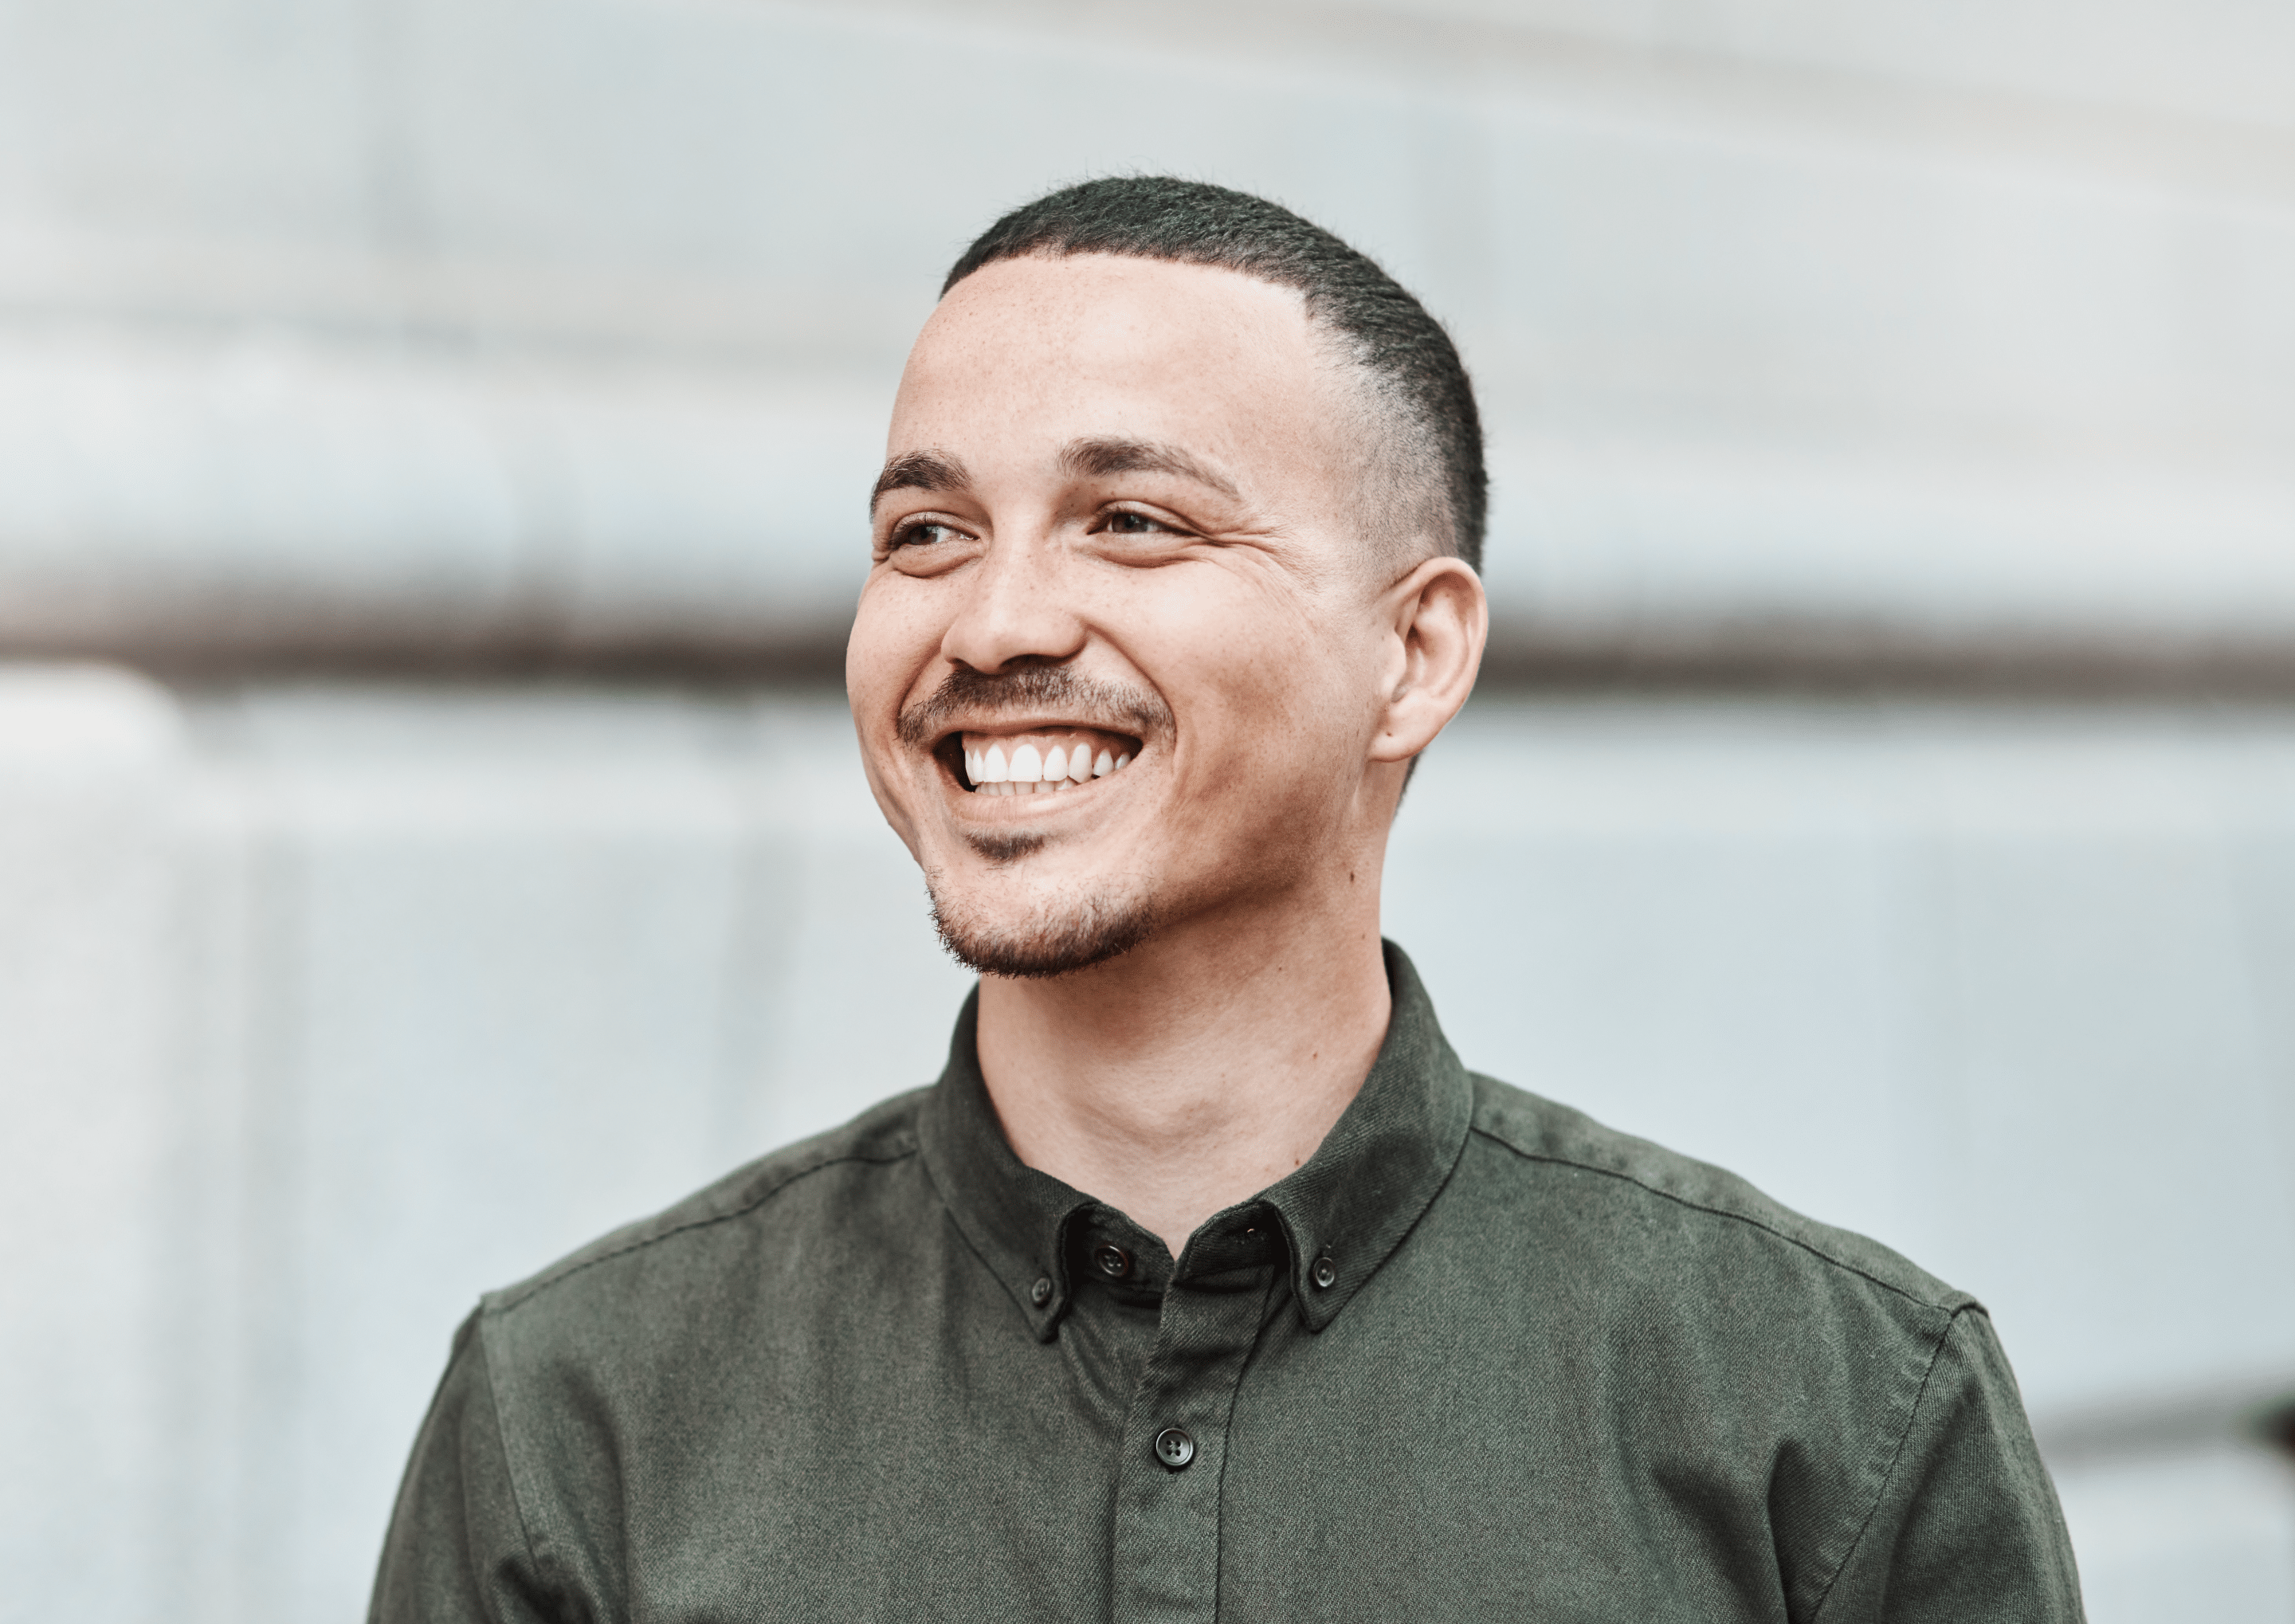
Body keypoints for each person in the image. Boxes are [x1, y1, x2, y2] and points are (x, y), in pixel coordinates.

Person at [371, 178, 2083, 1622]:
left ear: (1412, 654)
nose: (990, 624)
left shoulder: (1836, 1408)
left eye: (1128, 519)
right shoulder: (578, 1415)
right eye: (925, 532)